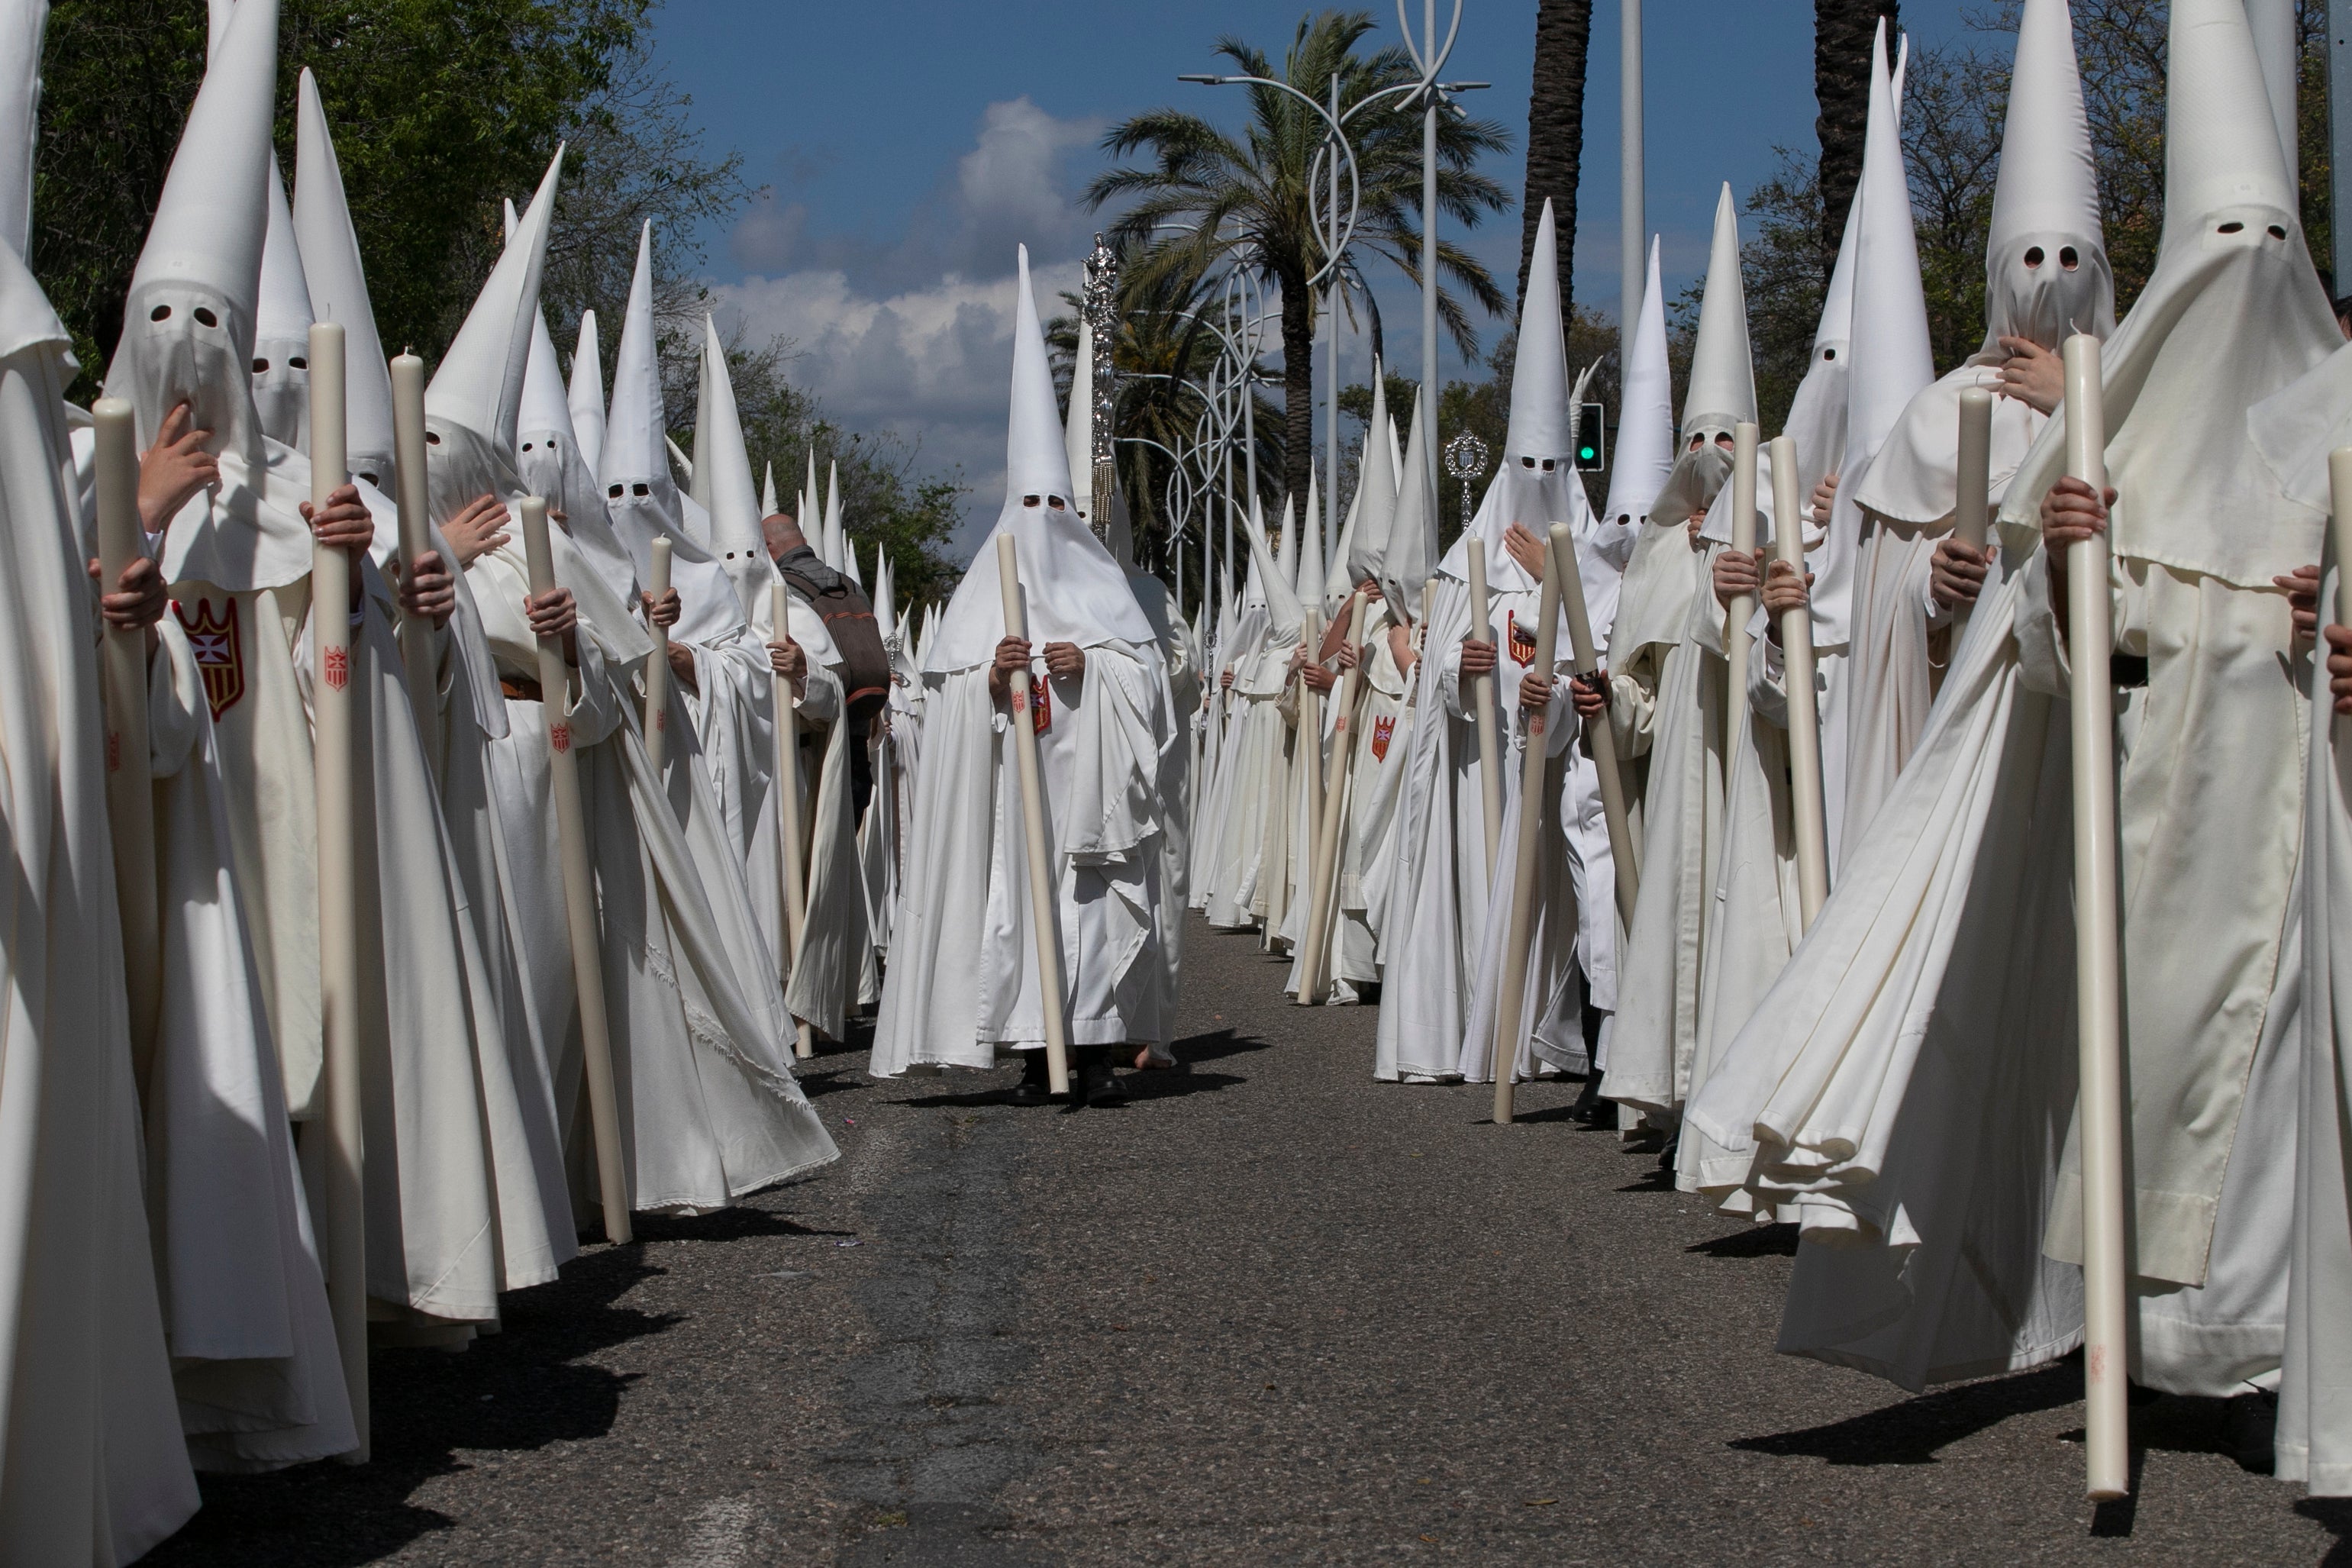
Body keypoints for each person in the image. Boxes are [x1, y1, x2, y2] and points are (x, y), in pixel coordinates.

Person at [1686, 0, 2337, 1453]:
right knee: (2157, 1081)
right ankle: (2164, 1350)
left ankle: (2274, 1358)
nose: (2049, 281)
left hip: (2300, 833)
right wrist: (2044, 553)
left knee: (2283, 1101)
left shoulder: (2313, 421)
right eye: (2220, 253)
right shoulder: (2088, 440)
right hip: (2146, 821)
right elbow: (2028, 638)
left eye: (2271, 254)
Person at [871, 247, 1178, 1105]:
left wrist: (1097, 665)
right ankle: (1026, 1049)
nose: (1044, 527)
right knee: (1017, 914)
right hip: (1019, 797)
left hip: (1090, 800)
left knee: (1085, 922)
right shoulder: (984, 595)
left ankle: (1087, 1051)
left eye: (1057, 509)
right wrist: (986, 679)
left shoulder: (1105, 594)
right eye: (1030, 508)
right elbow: (939, 703)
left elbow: (1150, 688)